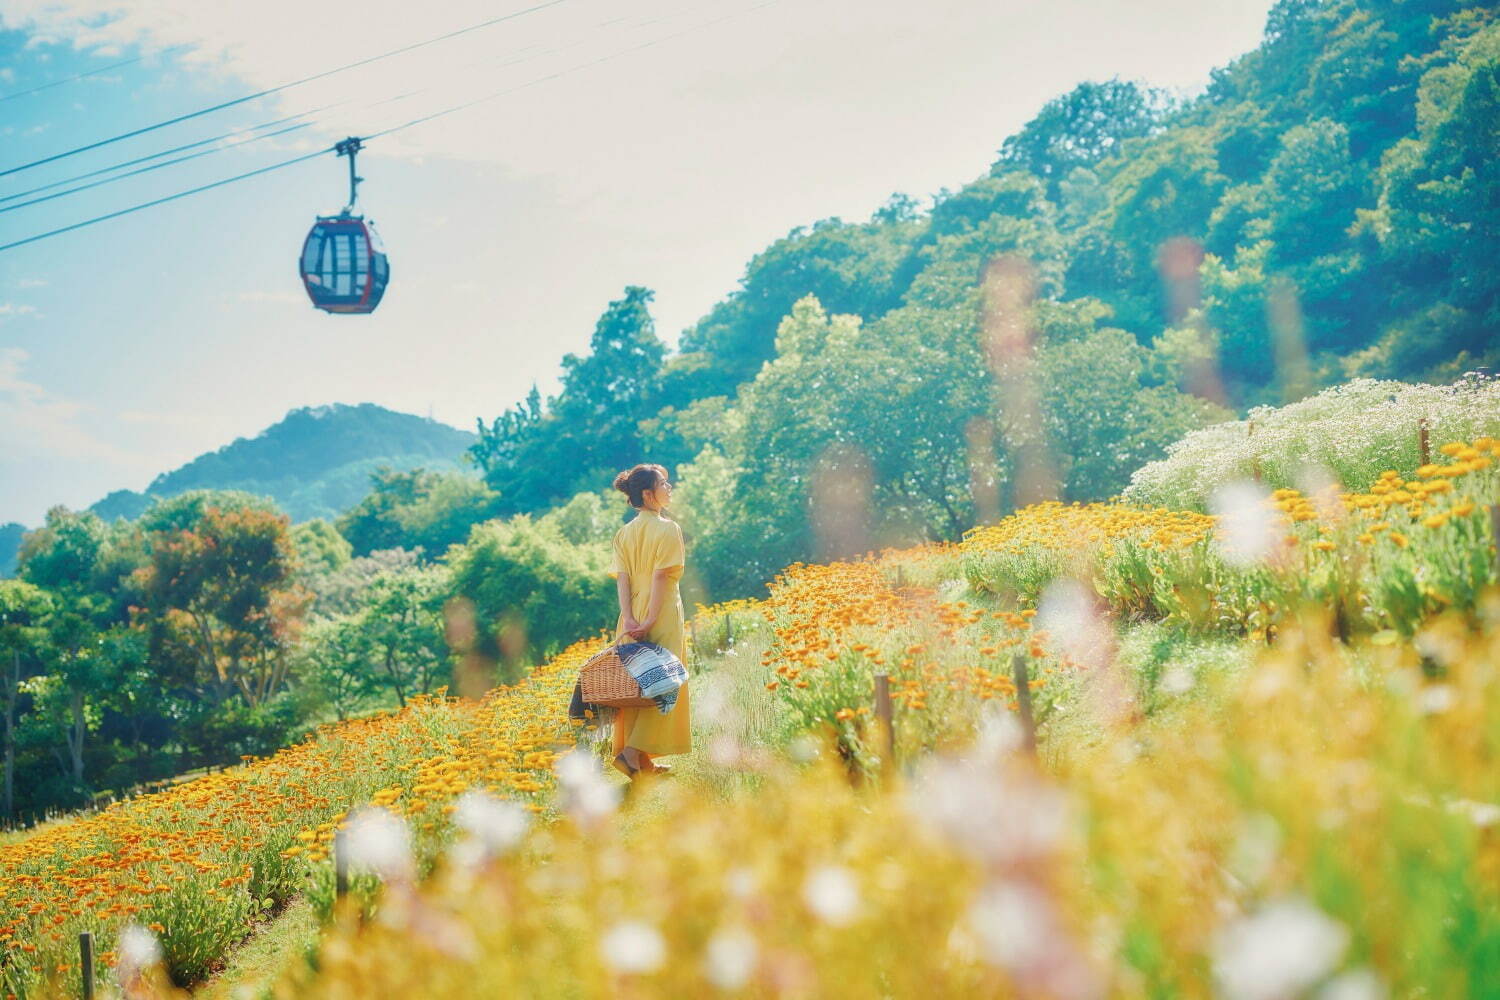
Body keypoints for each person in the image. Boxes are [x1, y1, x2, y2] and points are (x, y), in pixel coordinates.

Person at [607, 463, 692, 781]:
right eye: (664, 483)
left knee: (638, 686)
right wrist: (651, 620)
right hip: (662, 612)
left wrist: (630, 619)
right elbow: (660, 577)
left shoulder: (624, 533)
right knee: (665, 683)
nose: (669, 488)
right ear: (648, 493)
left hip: (631, 615)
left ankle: (642, 762)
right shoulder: (668, 529)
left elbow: (623, 580)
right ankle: (630, 755)